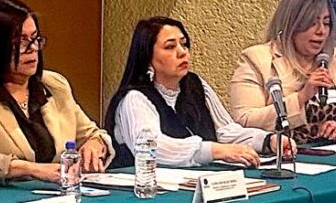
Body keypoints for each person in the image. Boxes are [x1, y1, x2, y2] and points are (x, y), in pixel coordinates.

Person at [0, 0, 112, 184]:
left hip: (58, 197)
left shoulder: (55, 85)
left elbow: (92, 134)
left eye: (35, 39)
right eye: (21, 42)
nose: (33, 49)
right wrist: (30, 169)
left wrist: (95, 144)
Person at [105, 17, 294, 168]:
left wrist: (267, 140)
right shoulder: (134, 98)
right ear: (147, 57)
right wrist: (216, 151)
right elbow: (151, 147)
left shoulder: (195, 84)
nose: (182, 52)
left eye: (184, 44)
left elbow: (225, 131)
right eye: (170, 47)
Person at [229, 0, 336, 142]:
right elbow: (244, 121)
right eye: (312, 23)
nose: (321, 31)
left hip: (333, 152)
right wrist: (301, 97)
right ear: (291, 25)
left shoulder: (335, 59)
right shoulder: (257, 59)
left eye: (326, 23)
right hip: (282, 153)